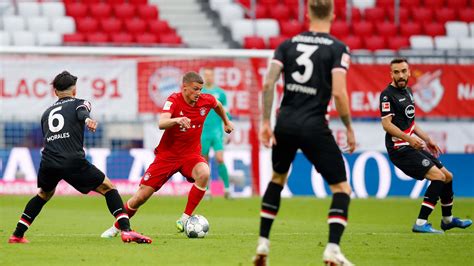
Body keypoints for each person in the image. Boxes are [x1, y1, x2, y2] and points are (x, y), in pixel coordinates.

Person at [253, 0, 356, 265]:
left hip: (284, 123)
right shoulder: (338, 48)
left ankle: (263, 244)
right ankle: (332, 249)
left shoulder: (286, 45)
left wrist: (265, 122)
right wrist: (347, 126)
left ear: (308, 13)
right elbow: (339, 92)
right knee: (341, 188)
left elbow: (267, 84)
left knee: (277, 179)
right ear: (333, 14)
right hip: (313, 126)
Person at [8, 71, 152, 244]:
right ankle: (126, 230)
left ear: (55, 92)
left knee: (43, 194)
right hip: (71, 160)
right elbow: (82, 112)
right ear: (74, 90)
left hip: (48, 161)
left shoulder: (46, 113)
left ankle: (17, 234)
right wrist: (87, 120)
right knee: (109, 188)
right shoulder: (80, 103)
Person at [100, 71, 233, 238]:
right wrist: (176, 120)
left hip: (190, 155)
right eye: (195, 89)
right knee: (141, 197)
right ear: (185, 88)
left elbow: (218, 105)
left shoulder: (206, 100)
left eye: (201, 89)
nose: (199, 93)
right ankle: (115, 228)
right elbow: (161, 123)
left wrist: (226, 122)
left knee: (204, 173)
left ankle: (185, 218)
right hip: (167, 156)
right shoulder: (174, 100)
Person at [380, 58, 472, 234]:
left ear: (409, 72)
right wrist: (408, 138)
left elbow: (411, 123)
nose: (400, 75)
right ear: (391, 74)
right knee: (438, 177)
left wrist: (428, 139)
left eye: (403, 71)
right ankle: (421, 223)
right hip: (399, 149)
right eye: (397, 72)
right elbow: (387, 125)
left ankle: (447, 220)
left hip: (410, 145)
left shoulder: (408, 92)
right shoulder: (387, 95)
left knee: (448, 176)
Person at [200, 67, 232, 199]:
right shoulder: (200, 93)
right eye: (206, 75)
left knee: (220, 158)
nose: (208, 77)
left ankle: (227, 189)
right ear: (203, 77)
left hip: (217, 132)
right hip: (203, 133)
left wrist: (227, 128)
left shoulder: (221, 93)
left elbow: (226, 113)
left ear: (213, 77)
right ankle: (206, 191)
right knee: (204, 162)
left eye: (210, 75)